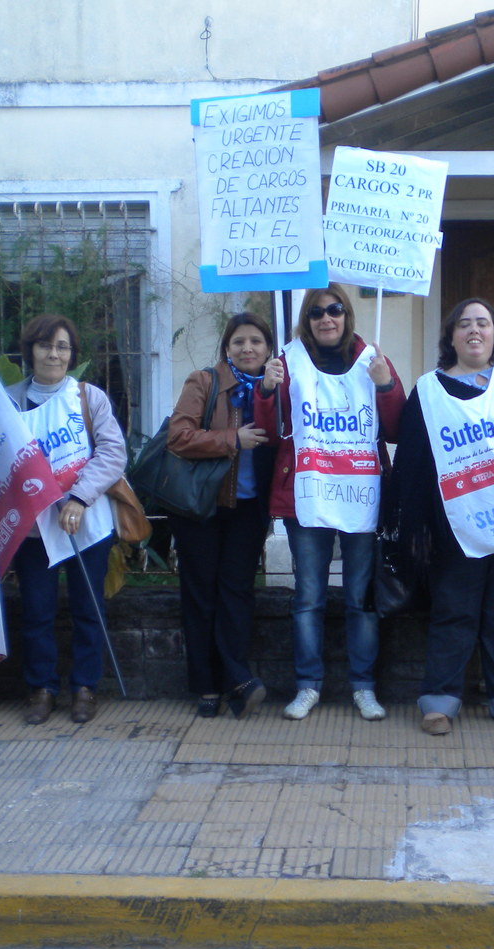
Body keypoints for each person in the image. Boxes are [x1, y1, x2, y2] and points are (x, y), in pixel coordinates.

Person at [388, 298, 494, 735]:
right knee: (454, 609)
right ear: (450, 337)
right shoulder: (428, 390)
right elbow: (412, 460)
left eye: (482, 323)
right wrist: (414, 526)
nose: (474, 331)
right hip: (457, 523)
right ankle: (440, 700)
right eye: (464, 324)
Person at [256, 284, 405, 721]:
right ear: (307, 318)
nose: (327, 318)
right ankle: (308, 685)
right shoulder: (287, 362)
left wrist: (387, 385)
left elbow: (397, 429)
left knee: (360, 598)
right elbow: (272, 430)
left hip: (362, 494)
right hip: (309, 494)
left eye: (335, 310)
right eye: (318, 311)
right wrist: (267, 391)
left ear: (346, 316)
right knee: (308, 597)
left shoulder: (372, 361)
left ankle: (363, 686)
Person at [7, 314, 127, 725]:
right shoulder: (10, 402)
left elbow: (112, 452)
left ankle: (84, 687)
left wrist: (78, 498)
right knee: (37, 610)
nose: (53, 354)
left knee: (87, 608)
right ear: (30, 351)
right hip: (34, 528)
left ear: (72, 354)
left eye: (62, 346)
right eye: (45, 345)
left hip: (87, 522)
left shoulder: (88, 398)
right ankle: (41, 687)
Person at [167, 313, 276, 719]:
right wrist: (234, 439)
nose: (248, 349)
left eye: (256, 342)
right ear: (226, 348)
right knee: (201, 594)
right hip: (202, 507)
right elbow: (179, 435)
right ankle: (209, 685)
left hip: (249, 508)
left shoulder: (275, 387)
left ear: (268, 349)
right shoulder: (204, 381)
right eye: (238, 342)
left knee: (237, 593)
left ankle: (235, 679)